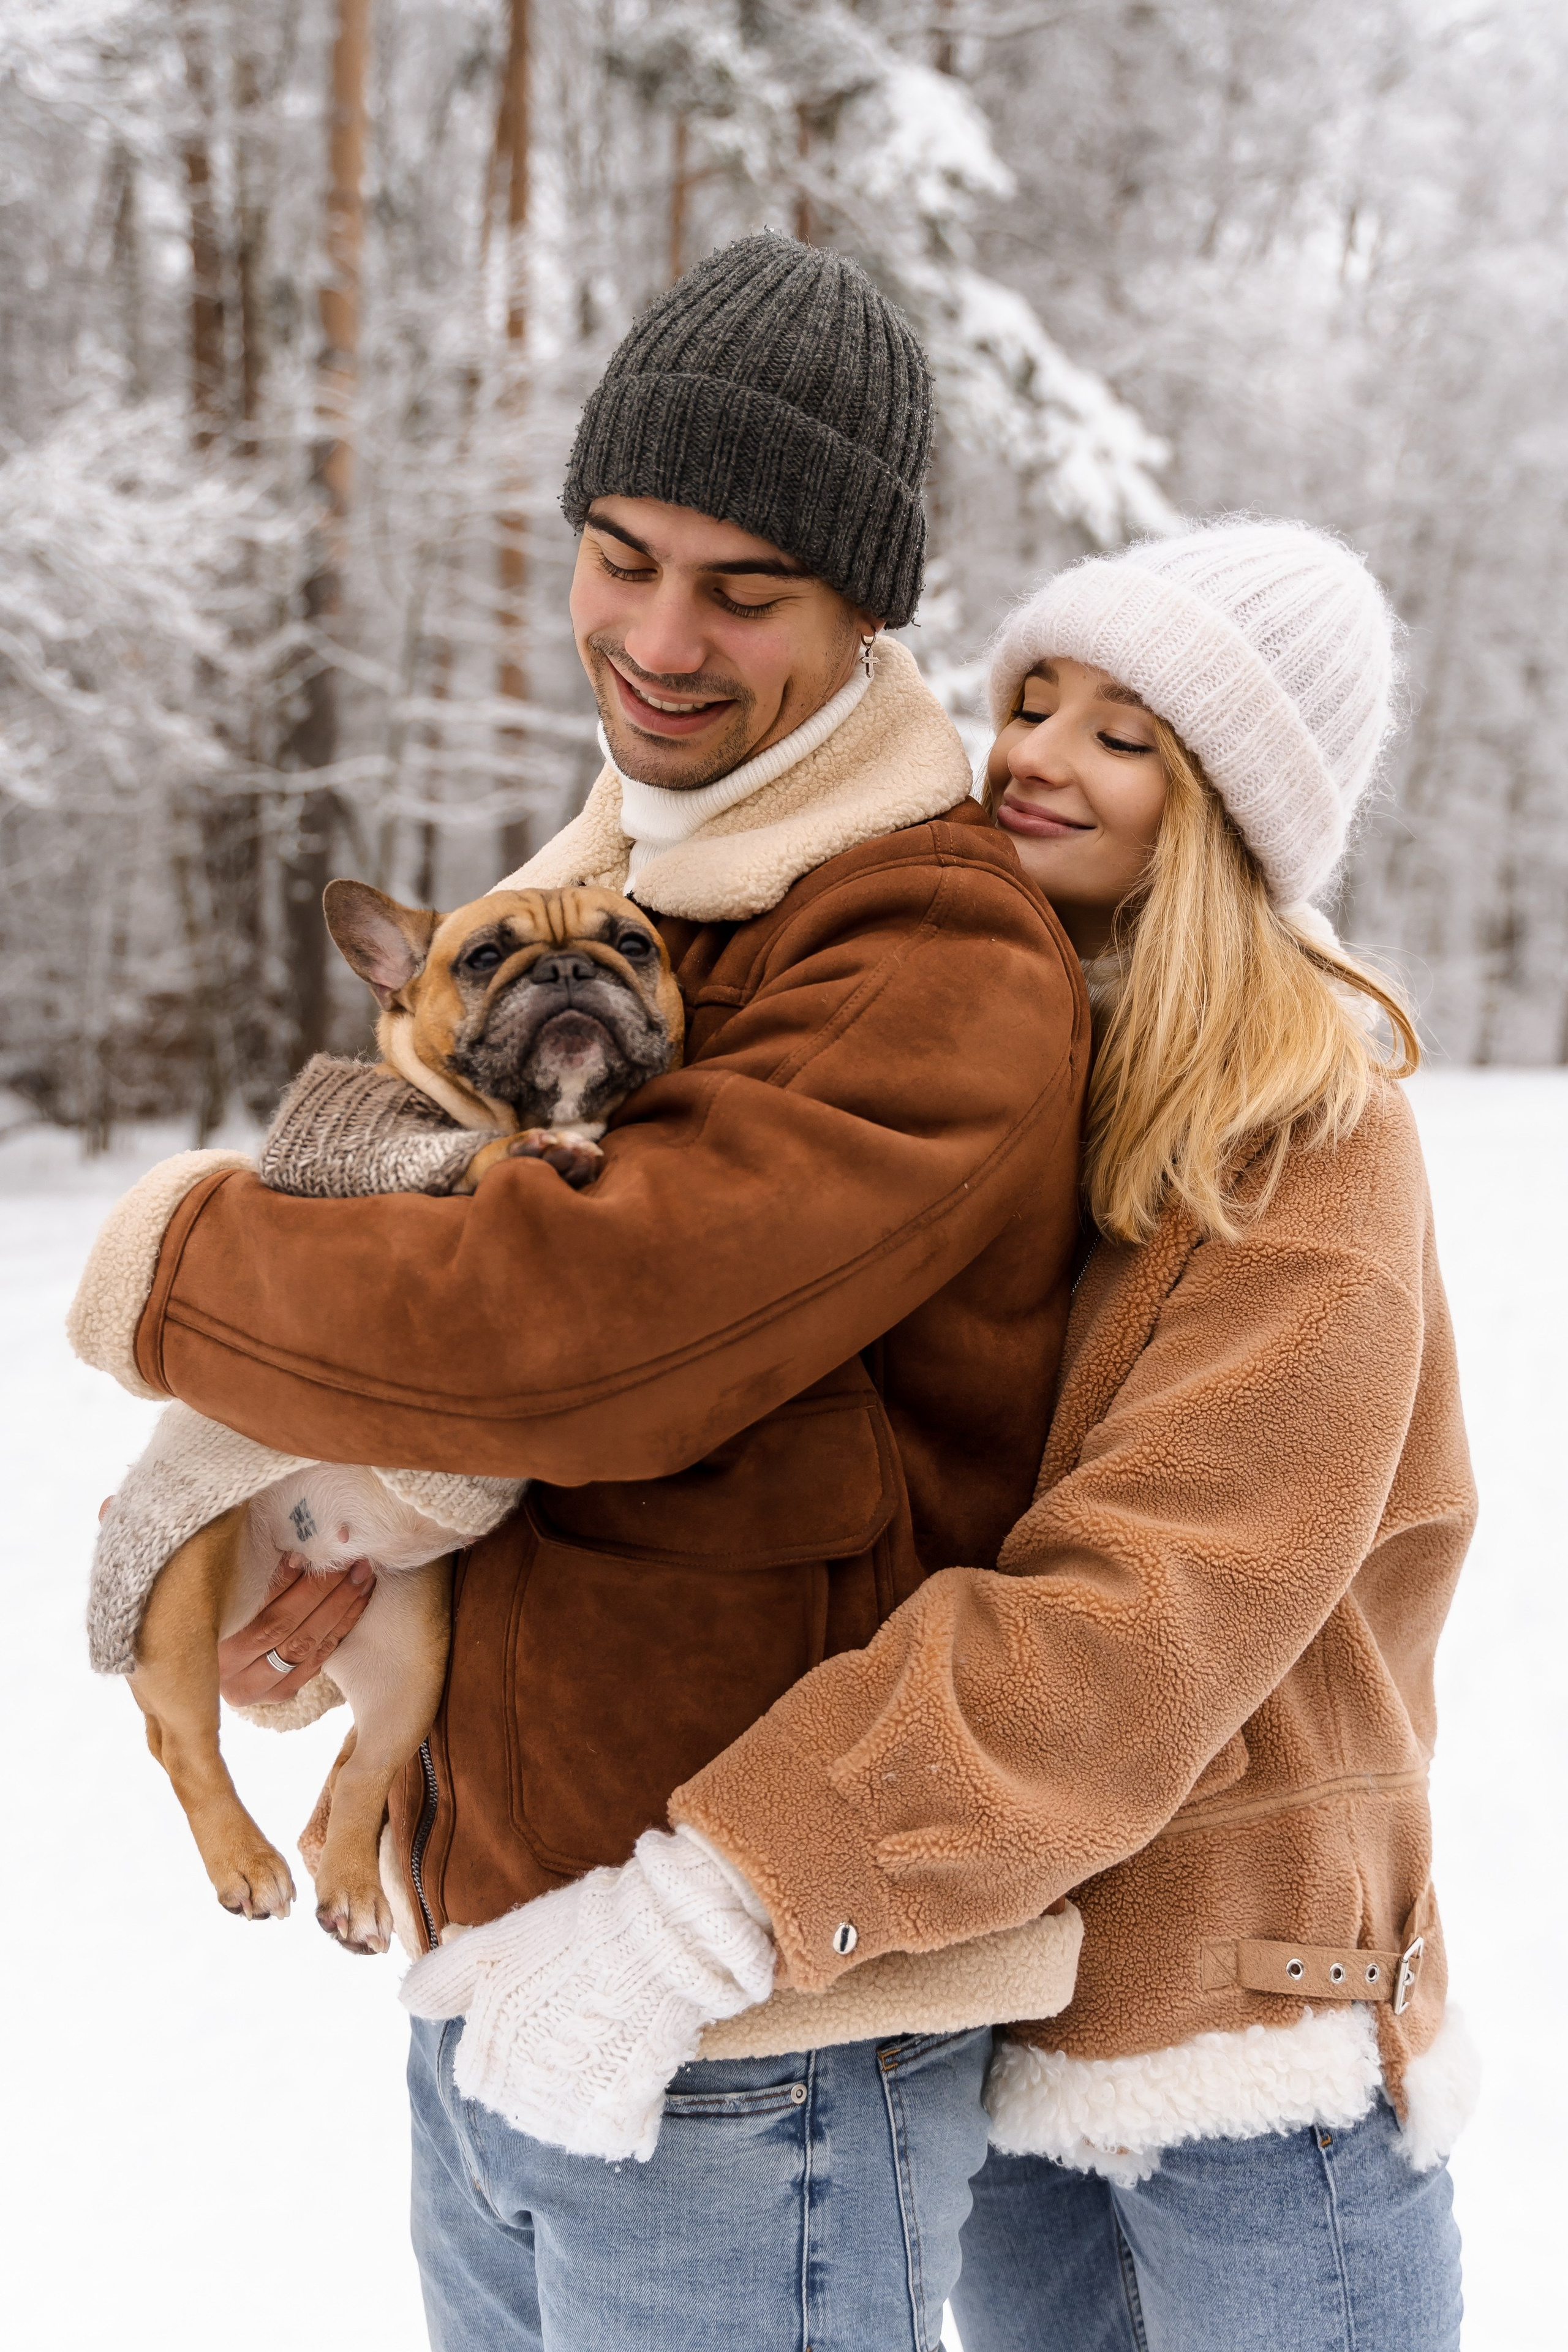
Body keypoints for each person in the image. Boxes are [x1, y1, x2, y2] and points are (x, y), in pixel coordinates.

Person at [114, 234, 1089, 2350]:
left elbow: (593, 1336)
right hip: (500, 1969)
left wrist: (169, 1257)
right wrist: (346, 1585)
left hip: (754, 2023)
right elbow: (469, 1399)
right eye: (620, 555)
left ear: (864, 612)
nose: (656, 638)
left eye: (746, 592)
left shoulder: (924, 950)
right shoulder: (642, 899)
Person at [660, 520, 1477, 2351]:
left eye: (1126, 736)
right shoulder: (1003, 1066)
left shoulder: (1306, 1130)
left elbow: (1155, 1605)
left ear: (1227, 814)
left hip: (1247, 2024)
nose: (1034, 754)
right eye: (1033, 700)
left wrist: (752, 1867)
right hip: (1004, 1979)